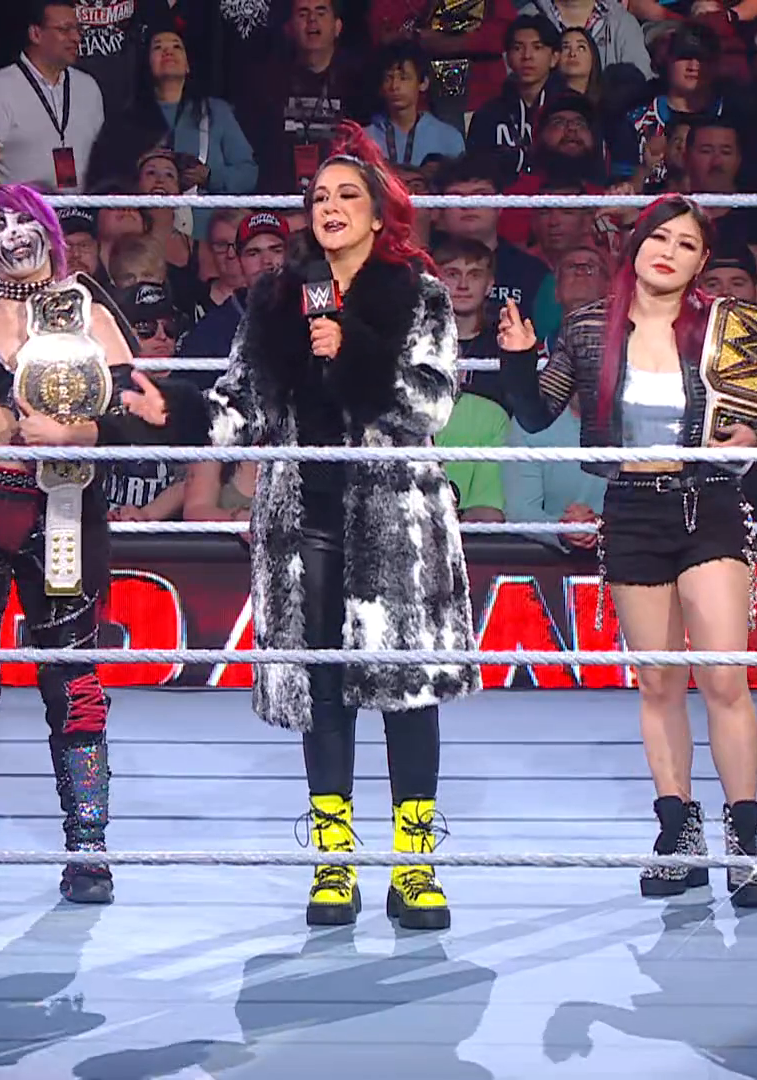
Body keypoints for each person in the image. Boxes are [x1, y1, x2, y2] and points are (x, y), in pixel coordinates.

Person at [204, 122, 480, 930]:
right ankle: (334, 864)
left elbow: (431, 405)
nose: (329, 207)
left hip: (397, 522)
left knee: (407, 694)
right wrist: (165, 413)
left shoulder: (419, 296)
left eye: (346, 195)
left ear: (378, 212)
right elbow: (240, 404)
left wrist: (352, 346)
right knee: (322, 693)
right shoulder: (277, 297)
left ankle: (415, 867)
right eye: (319, 196)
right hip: (303, 523)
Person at [0, 182, 198, 905]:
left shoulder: (86, 308)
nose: (10, 235)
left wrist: (79, 431)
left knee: (73, 677)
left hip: (62, 504)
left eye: (21, 220)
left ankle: (88, 849)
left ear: (48, 229)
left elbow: (142, 409)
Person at [500, 194, 757, 910]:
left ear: (702, 262)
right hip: (632, 506)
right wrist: (514, 358)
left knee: (724, 678)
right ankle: (679, 834)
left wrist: (756, 434)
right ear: (636, 246)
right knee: (659, 685)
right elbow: (537, 412)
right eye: (659, 238)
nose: (669, 252)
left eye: (686, 244)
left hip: (709, 501)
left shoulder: (726, 328)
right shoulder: (587, 326)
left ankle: (745, 841)